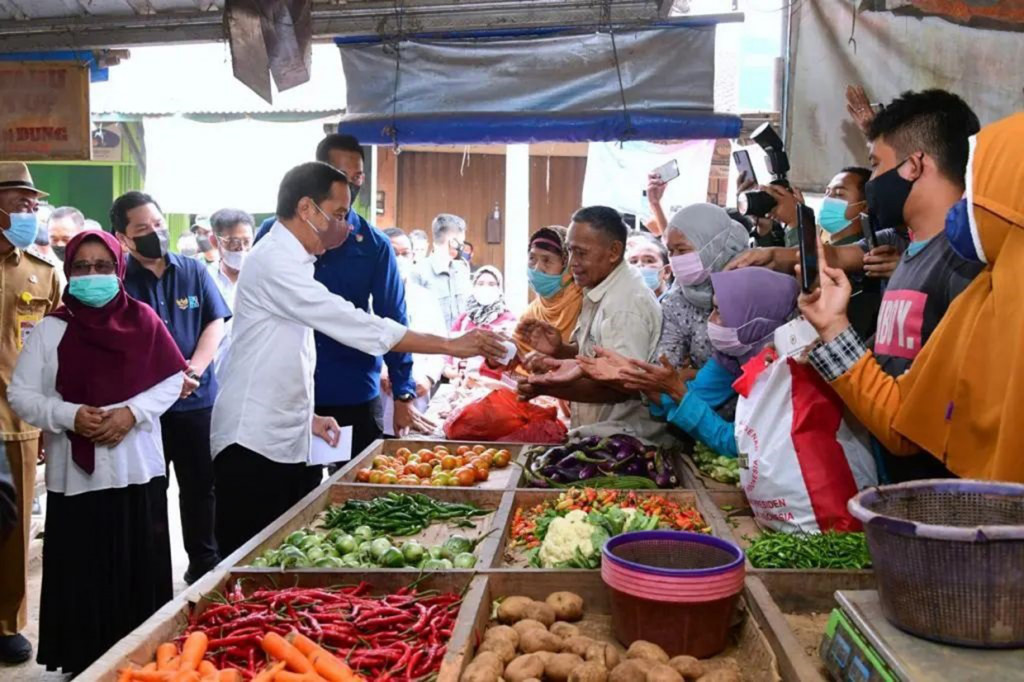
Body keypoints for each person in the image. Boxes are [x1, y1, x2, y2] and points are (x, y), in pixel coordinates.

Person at [211, 162, 506, 555]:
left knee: (281, 556)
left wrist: (305, 417)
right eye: (338, 215)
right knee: (250, 562)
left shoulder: (295, 260)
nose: (347, 227)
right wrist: (451, 345)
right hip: (252, 442)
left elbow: (277, 355)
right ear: (306, 209)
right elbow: (353, 324)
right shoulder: (274, 262)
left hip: (281, 434)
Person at [801, 112, 1023, 483]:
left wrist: (835, 329)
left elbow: (903, 425)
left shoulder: (974, 280)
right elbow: (902, 411)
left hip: (953, 499)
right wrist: (835, 334)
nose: (964, 203)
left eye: (975, 186)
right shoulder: (962, 283)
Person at [8, 230, 186, 674]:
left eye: (103, 266)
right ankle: (83, 662)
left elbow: (171, 378)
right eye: (82, 267)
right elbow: (21, 394)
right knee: (83, 571)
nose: (93, 275)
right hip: (76, 477)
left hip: (136, 470)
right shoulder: (52, 329)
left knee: (137, 567)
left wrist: (131, 413)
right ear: (69, 271)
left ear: (119, 270)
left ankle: (143, 661)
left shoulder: (143, 320)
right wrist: (68, 415)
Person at [256, 134, 421, 452]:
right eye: (341, 175)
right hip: (292, 394)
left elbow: (392, 317)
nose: (350, 185)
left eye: (357, 177)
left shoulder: (374, 245)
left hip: (353, 390)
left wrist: (403, 392)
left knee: (360, 479)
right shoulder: (277, 235)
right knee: (296, 481)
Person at [113, 191, 230, 584]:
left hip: (196, 401)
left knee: (201, 488)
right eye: (142, 228)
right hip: (146, 408)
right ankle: (153, 575)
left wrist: (193, 371)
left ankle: (204, 564)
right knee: (150, 490)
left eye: (158, 224)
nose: (155, 233)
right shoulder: (119, 281)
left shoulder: (193, 270)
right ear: (123, 237)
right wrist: (161, 385)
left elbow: (215, 322)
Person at [587, 268, 798, 456]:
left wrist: (673, 389)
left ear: (753, 320)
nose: (710, 320)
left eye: (720, 312)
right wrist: (634, 375)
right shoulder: (732, 356)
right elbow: (694, 396)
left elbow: (738, 443)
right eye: (712, 309)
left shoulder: (787, 369)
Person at [517, 206, 664, 442]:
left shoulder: (625, 305)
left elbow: (621, 386)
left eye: (581, 253)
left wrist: (546, 387)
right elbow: (596, 355)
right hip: (602, 434)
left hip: (624, 441)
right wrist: (561, 350)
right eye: (570, 251)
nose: (572, 263)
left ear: (614, 252)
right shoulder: (600, 286)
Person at [0, 163, 60, 665]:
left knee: (15, 529)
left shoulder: (42, 272)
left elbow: (57, 351)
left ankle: (7, 623)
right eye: (20, 203)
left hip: (18, 418)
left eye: (32, 204)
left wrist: (49, 420)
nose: (30, 212)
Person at [657, 204, 750, 373]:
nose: (675, 259)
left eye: (682, 250)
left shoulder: (755, 288)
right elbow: (666, 363)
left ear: (714, 246)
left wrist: (692, 375)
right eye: (670, 251)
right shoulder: (677, 299)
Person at [380, 228, 447, 435]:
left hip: (419, 393)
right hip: (381, 392)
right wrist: (381, 370)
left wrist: (428, 378)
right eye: (394, 253)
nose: (400, 259)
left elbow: (441, 345)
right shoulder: (368, 298)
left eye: (405, 253)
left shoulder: (426, 298)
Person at [518, 226, 584, 346]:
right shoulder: (530, 315)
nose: (537, 268)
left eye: (547, 260)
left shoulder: (585, 303)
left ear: (567, 265)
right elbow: (517, 350)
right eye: (532, 258)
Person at [410, 213, 473, 330]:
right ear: (453, 242)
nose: (462, 247)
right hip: (431, 340)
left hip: (462, 339)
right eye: (462, 242)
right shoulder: (418, 273)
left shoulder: (462, 269)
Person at [208, 208, 255, 312]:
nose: (241, 248)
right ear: (215, 241)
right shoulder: (206, 278)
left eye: (247, 242)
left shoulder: (261, 277)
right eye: (234, 242)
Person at [626, 232, 671, 299]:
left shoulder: (679, 302)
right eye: (634, 261)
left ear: (666, 271)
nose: (639, 265)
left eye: (649, 261)